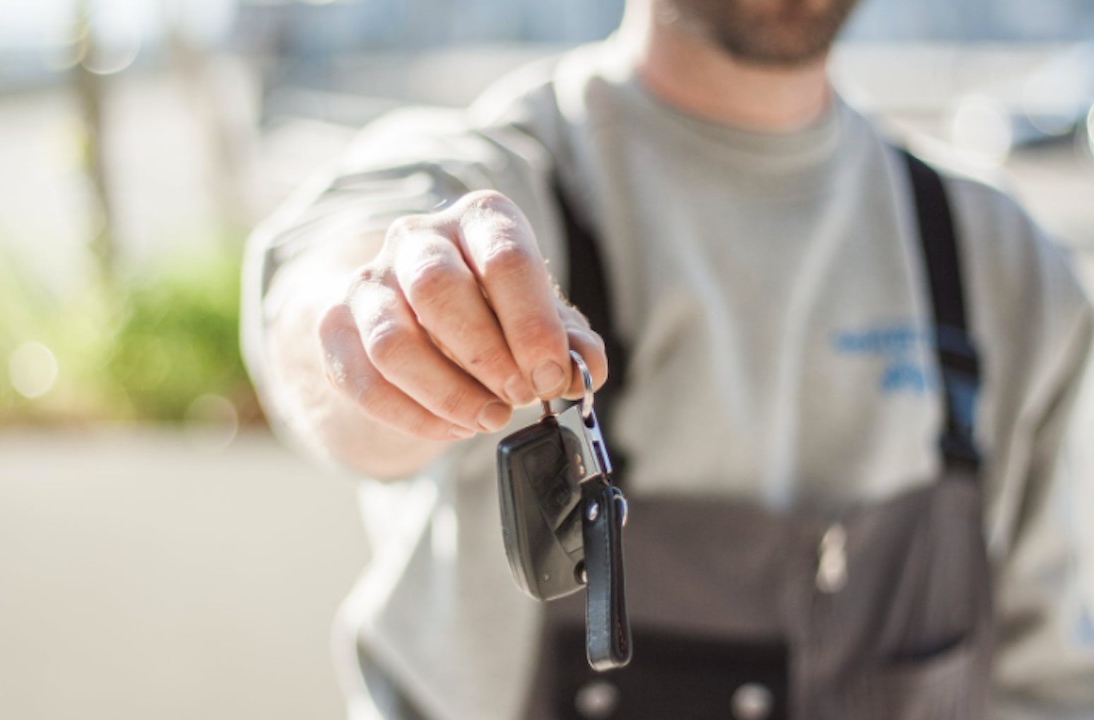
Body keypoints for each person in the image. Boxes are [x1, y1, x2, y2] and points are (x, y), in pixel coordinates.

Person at [242, 0, 1094, 717]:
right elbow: (330, 305)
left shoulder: (1003, 263)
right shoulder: (506, 177)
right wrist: (393, 326)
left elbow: (1043, 678)